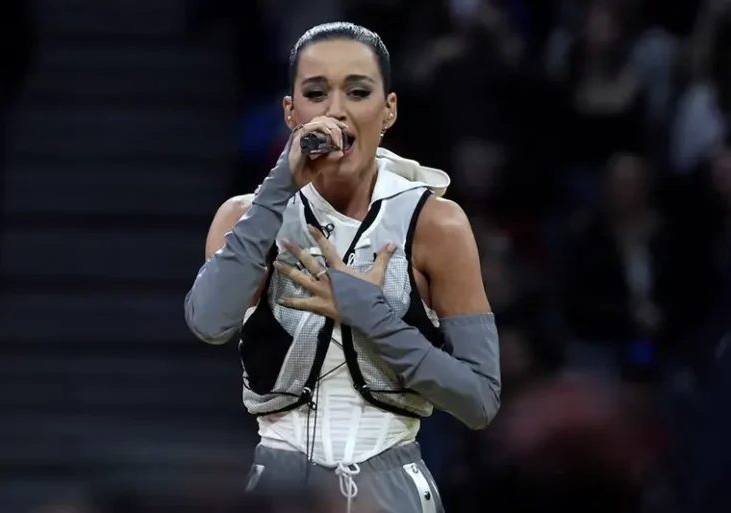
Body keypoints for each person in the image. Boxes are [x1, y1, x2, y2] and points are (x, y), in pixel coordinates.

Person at [184, 22, 501, 513]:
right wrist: (277, 189)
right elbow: (208, 322)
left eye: (357, 91)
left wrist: (369, 314)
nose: (335, 110)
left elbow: (479, 401)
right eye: (316, 92)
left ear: (388, 109)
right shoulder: (245, 217)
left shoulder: (436, 224)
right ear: (291, 112)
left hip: (392, 488)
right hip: (280, 488)